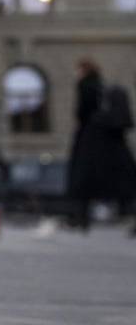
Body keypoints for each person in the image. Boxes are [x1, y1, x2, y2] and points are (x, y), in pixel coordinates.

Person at [73, 85, 136, 231]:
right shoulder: (109, 124)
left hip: (101, 167)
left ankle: (82, 220)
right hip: (112, 167)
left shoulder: (98, 122)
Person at [68, 60, 104, 230]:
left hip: (87, 135)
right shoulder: (99, 86)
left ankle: (80, 217)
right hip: (96, 135)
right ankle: (82, 217)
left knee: (81, 178)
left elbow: (83, 110)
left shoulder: (85, 86)